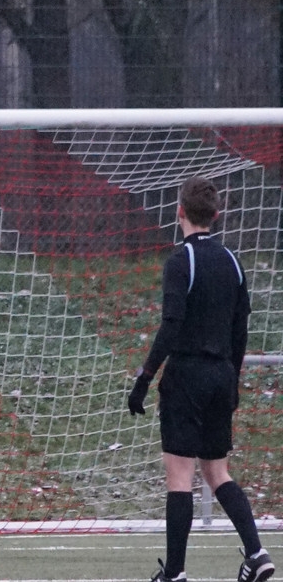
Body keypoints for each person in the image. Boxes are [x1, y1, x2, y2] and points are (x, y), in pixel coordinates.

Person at [127, 176, 274, 582]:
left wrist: (145, 378)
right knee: (216, 472)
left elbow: (171, 325)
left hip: (188, 375)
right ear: (216, 215)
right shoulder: (232, 261)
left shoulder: (181, 261)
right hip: (222, 375)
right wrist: (233, 380)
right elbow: (240, 330)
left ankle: (174, 573)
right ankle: (257, 553)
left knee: (180, 476)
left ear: (179, 212)